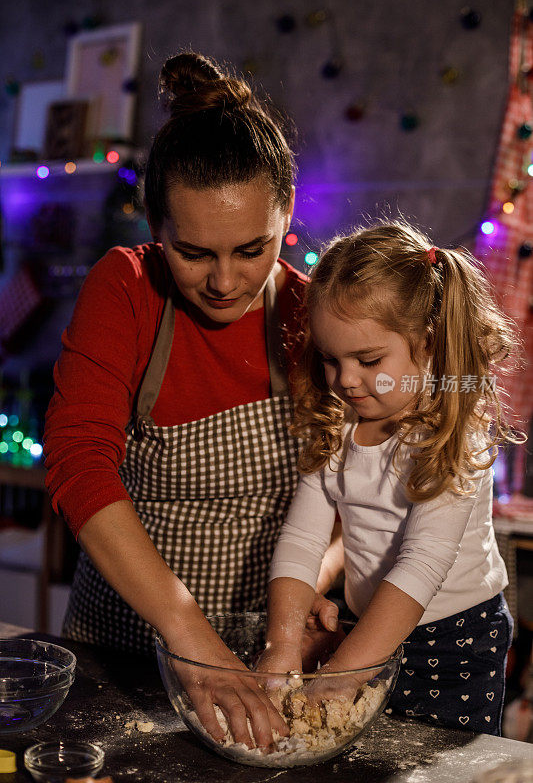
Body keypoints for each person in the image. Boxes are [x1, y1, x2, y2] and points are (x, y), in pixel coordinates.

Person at [43, 52, 340, 749]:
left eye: (251, 249)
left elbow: (348, 482)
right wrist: (184, 632)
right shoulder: (126, 289)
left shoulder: (315, 313)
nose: (224, 281)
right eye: (193, 252)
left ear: (287, 212)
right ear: (154, 227)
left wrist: (298, 612)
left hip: (267, 660)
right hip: (121, 653)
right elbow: (79, 461)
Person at [257, 220, 526, 736]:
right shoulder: (337, 429)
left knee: (442, 765)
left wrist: (340, 676)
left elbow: (422, 561)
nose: (345, 380)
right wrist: (283, 645)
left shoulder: (453, 435)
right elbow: (302, 537)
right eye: (331, 360)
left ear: (426, 345)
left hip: (457, 640)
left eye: (368, 359)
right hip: (371, 630)